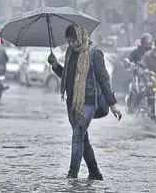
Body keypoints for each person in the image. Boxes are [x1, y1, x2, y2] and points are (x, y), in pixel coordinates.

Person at [47, 24, 122, 180]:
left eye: (74, 40)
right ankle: (95, 172)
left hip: (88, 101)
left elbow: (103, 80)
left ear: (81, 36)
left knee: (77, 135)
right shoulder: (69, 53)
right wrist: (54, 65)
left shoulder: (94, 53)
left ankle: (72, 174)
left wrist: (112, 104)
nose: (72, 44)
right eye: (69, 41)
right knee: (82, 136)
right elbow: (66, 76)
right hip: (72, 102)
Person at [124, 33, 153, 112]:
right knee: (134, 88)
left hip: (151, 76)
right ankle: (132, 105)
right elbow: (129, 58)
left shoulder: (153, 52)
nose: (147, 46)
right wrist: (128, 62)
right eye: (146, 43)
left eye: (149, 44)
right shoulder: (136, 52)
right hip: (139, 76)